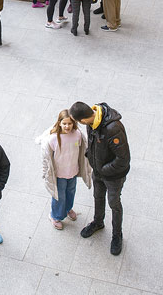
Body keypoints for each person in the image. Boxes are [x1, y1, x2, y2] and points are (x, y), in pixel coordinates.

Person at [69, 101, 130, 256]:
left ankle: (117, 235)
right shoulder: (91, 122)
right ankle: (98, 222)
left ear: (82, 120)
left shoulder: (113, 128)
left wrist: (103, 170)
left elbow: (123, 159)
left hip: (113, 176)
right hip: (98, 171)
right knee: (98, 197)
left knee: (114, 203)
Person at [39, 110, 91, 229]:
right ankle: (55, 216)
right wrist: (46, 173)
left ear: (73, 123)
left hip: (72, 171)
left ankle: (67, 209)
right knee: (59, 196)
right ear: (59, 123)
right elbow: (46, 158)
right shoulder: (53, 139)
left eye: (69, 123)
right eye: (64, 124)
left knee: (70, 192)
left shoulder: (77, 134)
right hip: (59, 174)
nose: (67, 126)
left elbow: (81, 150)